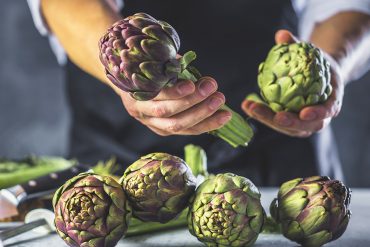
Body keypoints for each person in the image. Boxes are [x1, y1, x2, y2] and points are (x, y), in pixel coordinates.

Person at [27, 0, 370, 186]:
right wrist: (130, 80)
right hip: (121, 158)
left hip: (281, 158)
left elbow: (348, 5)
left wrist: (326, 68)